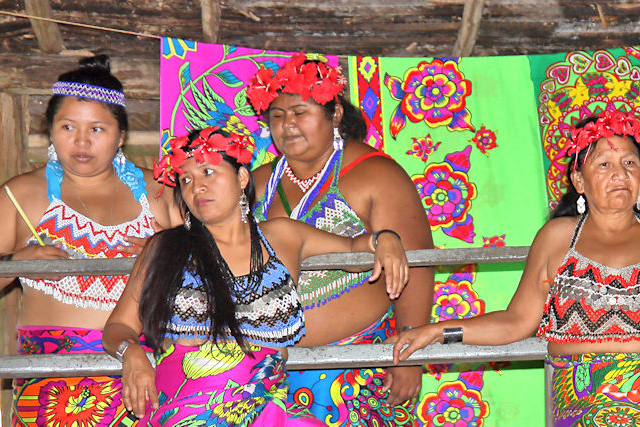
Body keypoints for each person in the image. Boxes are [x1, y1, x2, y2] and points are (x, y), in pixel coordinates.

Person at [390, 110, 640, 426]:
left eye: (630, 163)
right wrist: (438, 331)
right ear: (578, 181)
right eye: (604, 164)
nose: (619, 173)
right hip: (584, 411)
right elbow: (516, 322)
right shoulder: (558, 239)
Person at [102, 126, 409, 426]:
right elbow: (118, 327)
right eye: (186, 179)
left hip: (266, 414)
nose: (197, 188)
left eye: (208, 172)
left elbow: (354, 251)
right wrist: (132, 354)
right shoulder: (164, 248)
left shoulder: (282, 236)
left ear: (242, 177)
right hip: (179, 413)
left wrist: (386, 239)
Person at [0, 55, 181, 426]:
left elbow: (212, 267)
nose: (81, 141)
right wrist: (15, 261)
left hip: (142, 377)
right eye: (68, 126)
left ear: (121, 135)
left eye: (97, 129)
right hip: (50, 382)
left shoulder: (159, 194)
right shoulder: (22, 194)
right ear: (50, 130)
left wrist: (169, 254)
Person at [245, 53, 434, 425]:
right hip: (270, 373)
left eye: (300, 113)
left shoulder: (376, 174)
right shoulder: (257, 181)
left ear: (333, 115)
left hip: (358, 368)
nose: (288, 126)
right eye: (278, 116)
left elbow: (417, 264)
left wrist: (409, 352)